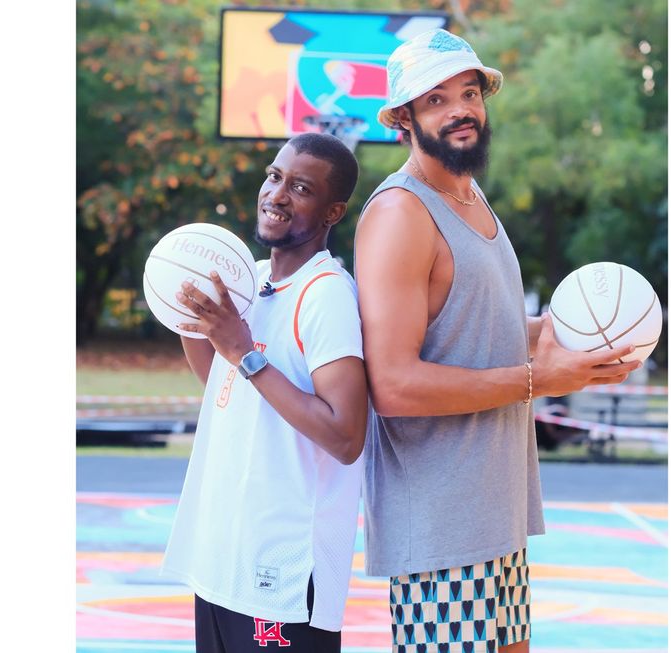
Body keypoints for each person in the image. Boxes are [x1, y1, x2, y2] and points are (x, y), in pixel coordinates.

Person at [355, 29, 642, 653]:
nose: (460, 109)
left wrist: (582, 343)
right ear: (403, 119)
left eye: (469, 92)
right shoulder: (400, 214)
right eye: (435, 100)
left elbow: (486, 327)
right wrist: (543, 379)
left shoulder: (469, 194)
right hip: (441, 527)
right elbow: (393, 386)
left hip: (494, 517)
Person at [161, 133, 368, 653]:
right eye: (274, 176)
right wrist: (194, 321)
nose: (276, 194)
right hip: (224, 557)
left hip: (284, 573)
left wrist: (245, 352)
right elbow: (226, 392)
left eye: (300, 187)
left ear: (332, 211)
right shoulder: (248, 282)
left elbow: (346, 436)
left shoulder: (327, 296)